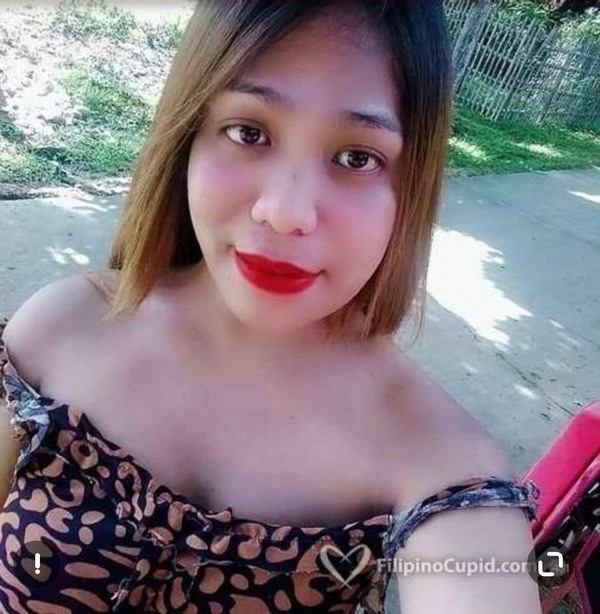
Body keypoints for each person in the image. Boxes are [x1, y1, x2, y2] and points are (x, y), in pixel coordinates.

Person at [0, 1, 542, 612]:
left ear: (408, 187)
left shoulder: (439, 460)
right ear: (188, 134)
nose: (286, 213)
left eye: (357, 157)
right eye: (248, 132)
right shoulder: (60, 330)